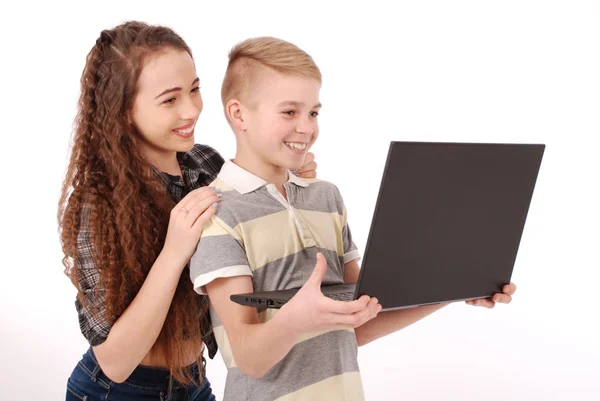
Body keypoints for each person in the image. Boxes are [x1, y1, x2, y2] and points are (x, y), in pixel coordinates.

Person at [189, 37, 517, 401]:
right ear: (238, 115)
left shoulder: (325, 197)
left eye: (313, 112)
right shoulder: (216, 214)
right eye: (289, 112)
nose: (306, 128)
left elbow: (360, 320)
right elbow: (248, 358)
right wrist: (297, 318)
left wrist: (450, 290)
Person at [57, 22, 318, 401]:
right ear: (123, 110)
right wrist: (174, 251)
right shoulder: (96, 204)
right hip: (116, 392)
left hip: (193, 383)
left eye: (195, 90)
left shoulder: (205, 163)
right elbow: (115, 361)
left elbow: (249, 246)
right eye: (170, 99)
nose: (191, 109)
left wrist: (286, 179)